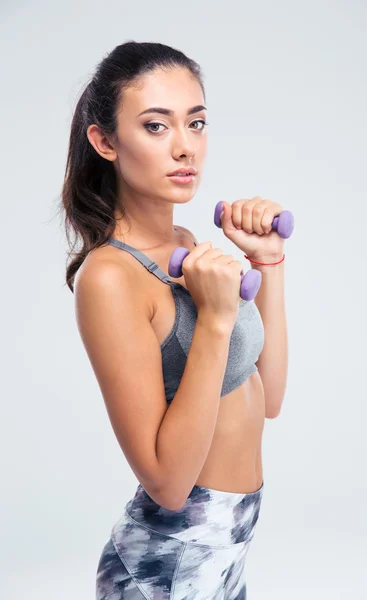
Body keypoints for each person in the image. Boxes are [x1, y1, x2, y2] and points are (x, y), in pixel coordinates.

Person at [60, 40, 288, 599]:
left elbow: (271, 397)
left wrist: (267, 261)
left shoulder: (190, 245)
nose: (186, 148)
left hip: (229, 544)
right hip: (165, 565)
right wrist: (212, 320)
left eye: (197, 122)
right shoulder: (110, 276)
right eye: (157, 127)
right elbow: (166, 483)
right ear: (105, 141)